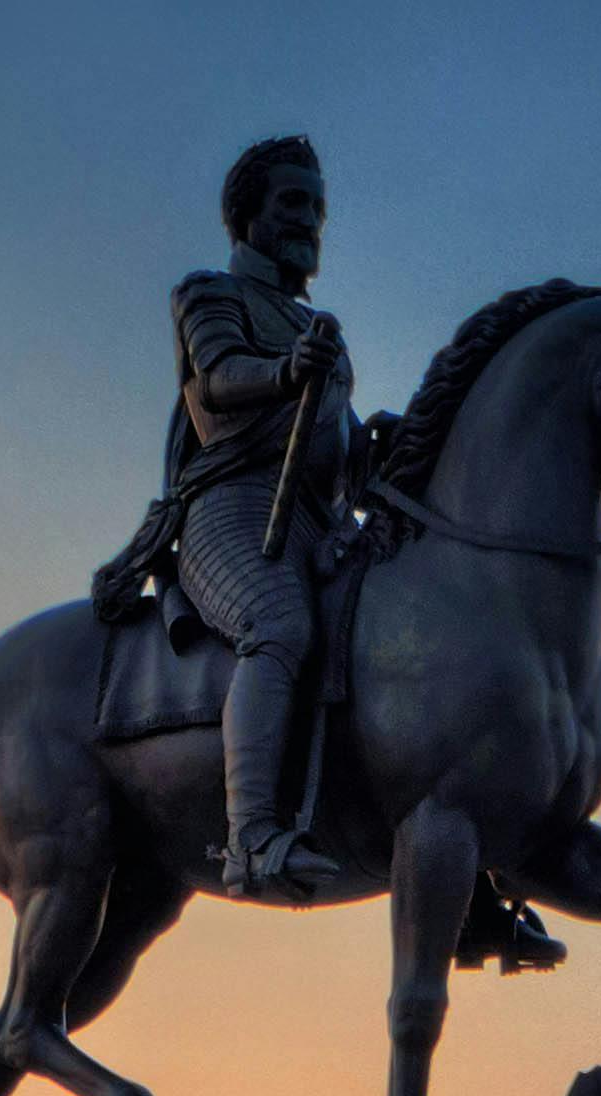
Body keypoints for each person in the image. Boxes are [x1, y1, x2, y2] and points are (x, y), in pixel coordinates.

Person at [100, 134, 353, 898]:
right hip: (231, 513)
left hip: (318, 523)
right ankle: (248, 839)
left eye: (318, 206)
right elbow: (214, 381)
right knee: (278, 624)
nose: (309, 220)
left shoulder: (320, 331)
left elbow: (338, 442)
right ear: (245, 217)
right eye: (292, 203)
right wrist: (282, 370)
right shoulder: (209, 294)